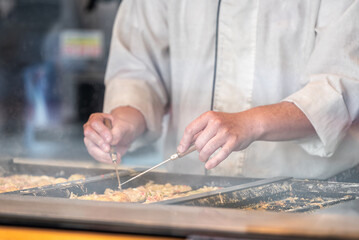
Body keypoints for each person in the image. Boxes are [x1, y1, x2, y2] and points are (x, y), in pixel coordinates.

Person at [83, 0, 359, 179]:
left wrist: (251, 123)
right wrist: (124, 121)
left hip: (309, 203)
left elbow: (343, 86)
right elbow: (138, 68)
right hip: (191, 201)